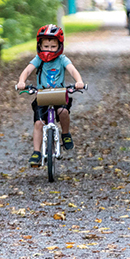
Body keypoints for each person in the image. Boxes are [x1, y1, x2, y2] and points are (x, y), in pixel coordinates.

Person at [15, 24, 85, 167]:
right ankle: (36, 152)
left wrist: (79, 82)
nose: (49, 50)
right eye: (45, 46)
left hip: (59, 94)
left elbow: (72, 70)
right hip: (42, 95)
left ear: (59, 46)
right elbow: (27, 71)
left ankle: (65, 134)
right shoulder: (38, 59)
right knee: (39, 123)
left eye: (53, 47)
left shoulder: (62, 59)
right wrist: (21, 81)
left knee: (63, 112)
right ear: (39, 46)